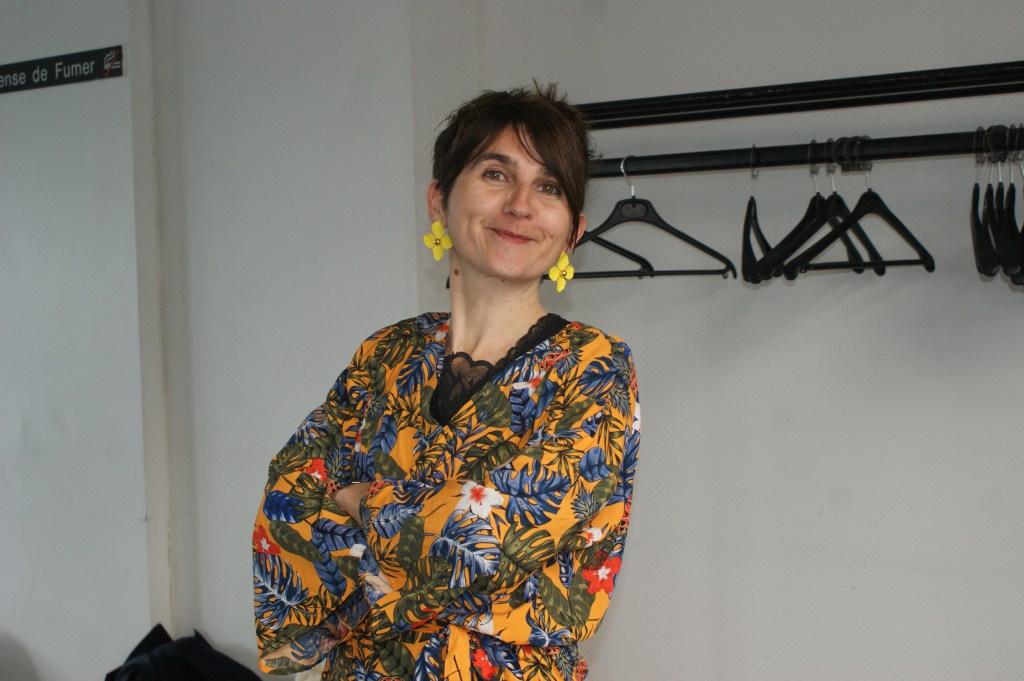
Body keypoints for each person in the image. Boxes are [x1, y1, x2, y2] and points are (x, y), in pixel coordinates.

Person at [253, 84, 641, 681]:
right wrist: (428, 531)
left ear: (573, 231)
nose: (520, 205)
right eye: (495, 174)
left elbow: (492, 534)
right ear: (439, 199)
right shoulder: (387, 354)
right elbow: (288, 500)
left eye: (549, 188)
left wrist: (359, 501)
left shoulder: (593, 366)